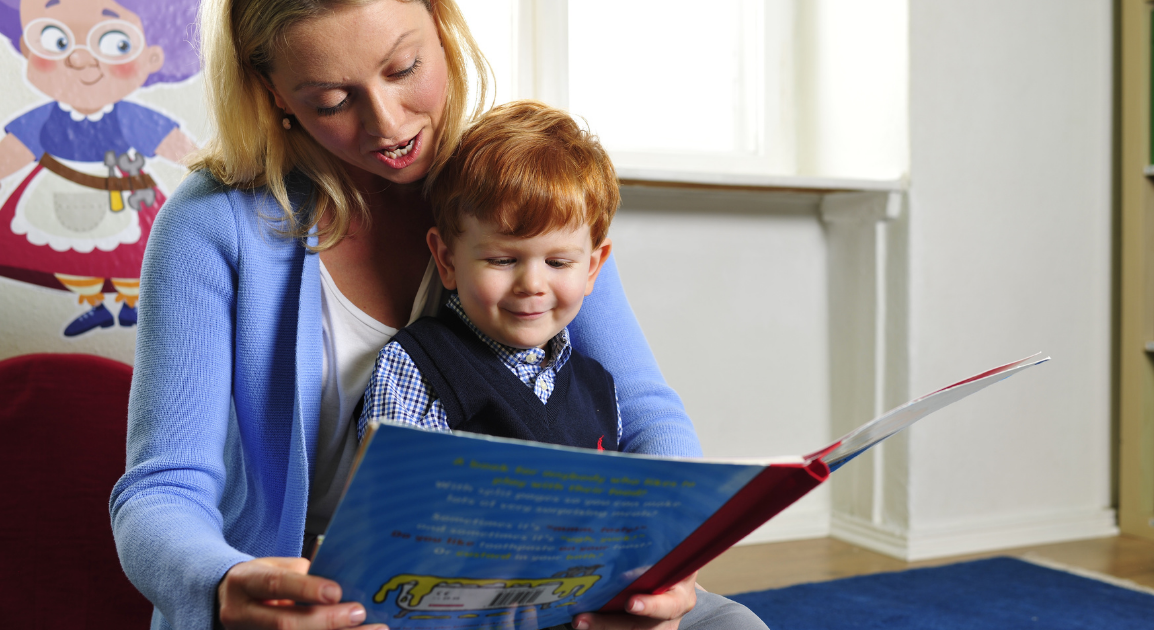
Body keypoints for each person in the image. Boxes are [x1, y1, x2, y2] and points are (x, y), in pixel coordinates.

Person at [109, 2, 763, 630]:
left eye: (403, 69)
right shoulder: (208, 225)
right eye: (331, 100)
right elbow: (161, 491)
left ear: (441, 23)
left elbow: (649, 420)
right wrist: (225, 586)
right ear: (274, 92)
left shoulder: (514, 186)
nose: (388, 123)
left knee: (731, 624)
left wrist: (667, 566)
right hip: (335, 604)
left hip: (543, 585)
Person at [356, 100, 622, 453]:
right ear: (447, 260)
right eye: (502, 260)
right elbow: (391, 497)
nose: (532, 285)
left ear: (591, 267)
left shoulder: (600, 389)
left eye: (557, 263)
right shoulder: (418, 367)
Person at [0, 0, 200, 336]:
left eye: (115, 43)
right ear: (25, 47)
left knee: (136, 257)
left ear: (152, 57)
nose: (78, 59)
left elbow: (181, 150)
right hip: (53, 189)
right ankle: (93, 305)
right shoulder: (43, 120)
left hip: (123, 195)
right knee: (63, 256)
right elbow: (14, 151)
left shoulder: (132, 118)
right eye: (54, 39)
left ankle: (134, 304)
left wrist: (228, 175)